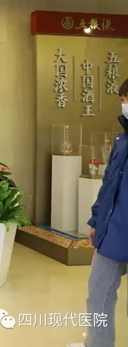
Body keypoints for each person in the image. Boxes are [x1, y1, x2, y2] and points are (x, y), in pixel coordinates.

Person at [69, 78, 128, 347]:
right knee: (99, 293)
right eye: (123, 100)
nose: (124, 105)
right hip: (112, 232)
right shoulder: (122, 140)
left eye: (126, 99)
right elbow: (108, 184)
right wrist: (96, 220)